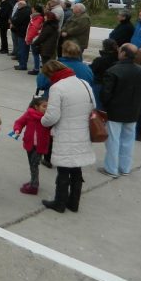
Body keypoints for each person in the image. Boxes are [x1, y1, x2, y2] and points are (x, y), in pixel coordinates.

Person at [40, 61, 96, 213]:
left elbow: (52, 117)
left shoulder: (57, 88)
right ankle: (73, 203)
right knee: (76, 169)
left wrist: (42, 121)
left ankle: (59, 203)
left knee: (63, 170)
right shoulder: (84, 83)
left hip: (65, 133)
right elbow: (93, 106)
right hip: (82, 131)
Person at [98, 43, 141, 177]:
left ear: (123, 54)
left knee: (113, 141)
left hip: (115, 111)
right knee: (128, 141)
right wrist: (140, 107)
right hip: (133, 112)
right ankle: (125, 168)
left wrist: (105, 107)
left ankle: (111, 168)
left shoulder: (113, 70)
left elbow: (106, 94)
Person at [12, 97, 51, 195]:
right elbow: (19, 122)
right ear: (36, 107)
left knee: (34, 165)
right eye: (44, 106)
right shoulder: (29, 114)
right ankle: (33, 181)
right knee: (32, 164)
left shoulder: (48, 118)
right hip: (29, 144)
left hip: (40, 147)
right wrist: (17, 130)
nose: (46, 108)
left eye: (48, 106)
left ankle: (34, 186)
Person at [11, 0, 31, 71]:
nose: (17, 7)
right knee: (25, 49)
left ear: (21, 5)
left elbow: (17, 21)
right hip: (26, 32)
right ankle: (23, 63)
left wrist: (12, 21)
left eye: (18, 5)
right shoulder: (28, 10)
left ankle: (22, 65)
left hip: (22, 32)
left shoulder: (22, 11)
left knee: (22, 49)